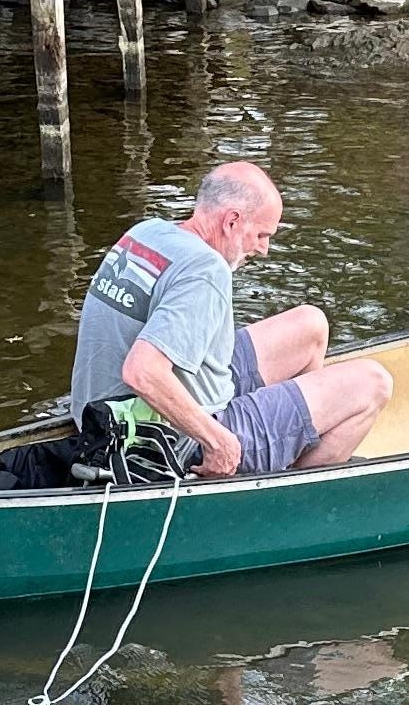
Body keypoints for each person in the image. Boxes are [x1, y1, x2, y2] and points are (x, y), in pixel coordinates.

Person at [71, 160, 392, 476]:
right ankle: (286, 490)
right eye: (262, 235)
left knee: (312, 326)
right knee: (373, 384)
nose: (264, 249)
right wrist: (217, 441)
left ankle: (292, 437)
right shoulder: (206, 271)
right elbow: (141, 371)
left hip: (101, 414)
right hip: (157, 438)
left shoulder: (148, 232)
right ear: (232, 221)